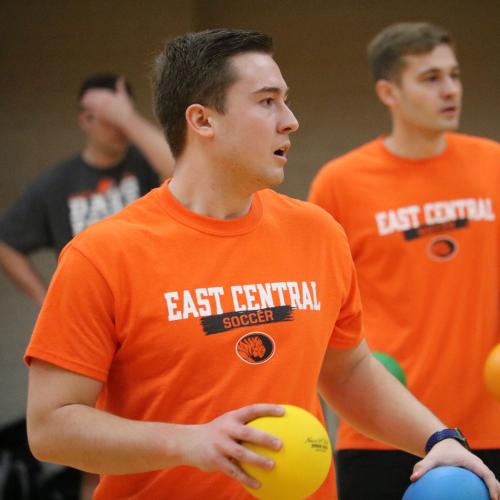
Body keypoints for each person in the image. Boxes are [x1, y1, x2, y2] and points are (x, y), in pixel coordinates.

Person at [24, 29, 499, 500]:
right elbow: (51, 427)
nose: (290, 121)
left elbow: (349, 371)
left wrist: (438, 439)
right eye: (267, 101)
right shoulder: (102, 254)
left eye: (286, 101)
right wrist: (188, 442)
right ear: (203, 121)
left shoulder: (317, 232)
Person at [309, 22, 500, 499]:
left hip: (491, 427)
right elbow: (318, 308)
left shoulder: (494, 164)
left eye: (454, 75)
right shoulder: (340, 183)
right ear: (388, 92)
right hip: (381, 434)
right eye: (431, 78)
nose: (451, 89)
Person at [0, 73, 174, 305]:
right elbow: (6, 242)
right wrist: (45, 299)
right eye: (107, 119)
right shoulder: (57, 182)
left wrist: (127, 118)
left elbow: (182, 167)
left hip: (150, 299)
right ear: (85, 120)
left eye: (119, 116)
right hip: (91, 307)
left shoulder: (147, 163)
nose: (117, 128)